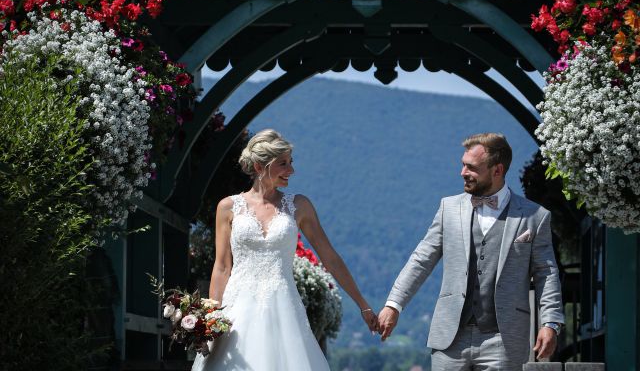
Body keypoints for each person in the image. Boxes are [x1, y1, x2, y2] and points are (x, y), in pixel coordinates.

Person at [192, 129, 377, 371]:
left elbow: (330, 258)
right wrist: (210, 319)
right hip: (237, 310)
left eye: (291, 162)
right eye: (283, 164)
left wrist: (363, 304)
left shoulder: (299, 205)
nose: (291, 170)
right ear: (260, 167)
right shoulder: (228, 207)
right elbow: (222, 266)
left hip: (285, 310)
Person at [377, 133, 564, 370]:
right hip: (450, 338)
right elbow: (421, 260)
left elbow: (545, 274)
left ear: (497, 170)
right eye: (463, 164)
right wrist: (394, 304)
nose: (462, 172)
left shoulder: (535, 216)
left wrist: (550, 322)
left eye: (471, 167)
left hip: (503, 340)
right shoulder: (449, 208)